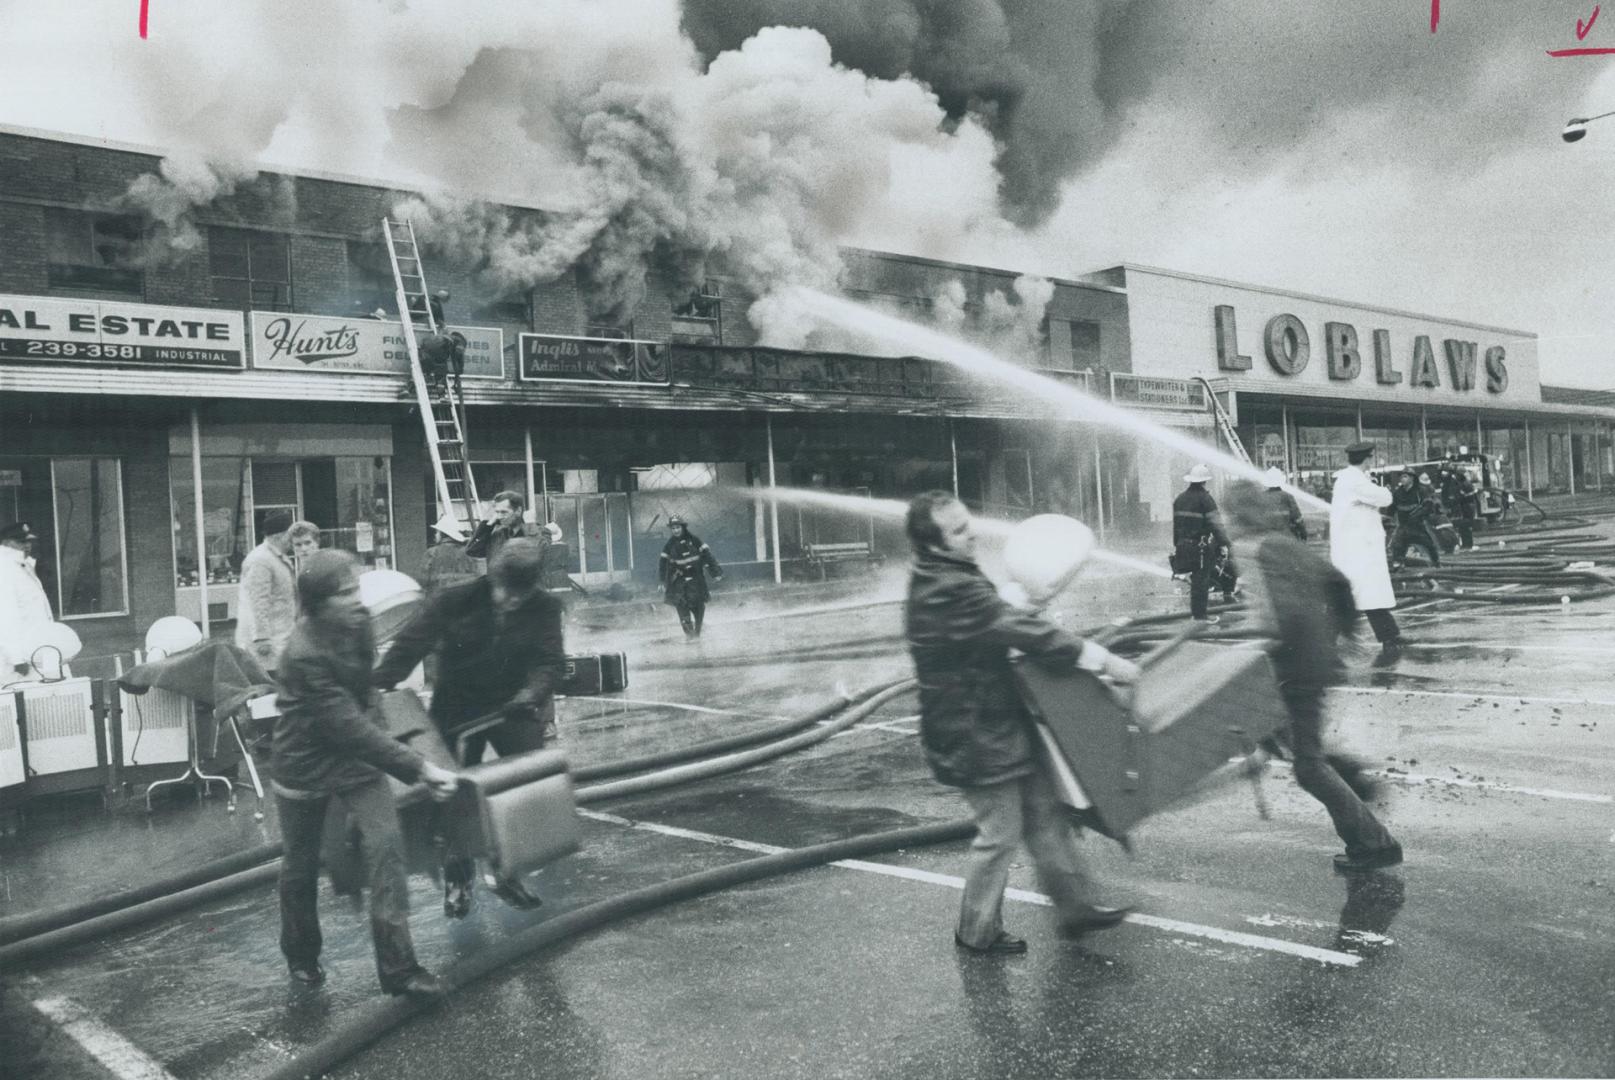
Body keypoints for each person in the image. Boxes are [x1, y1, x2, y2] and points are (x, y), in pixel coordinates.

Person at [905, 491, 1136, 954]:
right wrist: (1106, 661)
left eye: (967, 522)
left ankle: (1074, 908)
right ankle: (976, 931)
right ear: (933, 545)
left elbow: (996, 621)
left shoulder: (947, 575)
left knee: (1045, 814)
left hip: (993, 725)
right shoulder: (950, 586)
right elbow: (1016, 630)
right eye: (957, 531)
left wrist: (1019, 602)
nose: (971, 535)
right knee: (1000, 835)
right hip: (974, 734)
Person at [271, 550, 460, 998]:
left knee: (387, 851)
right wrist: (418, 767)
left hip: (357, 763)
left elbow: (367, 697)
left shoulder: (359, 624)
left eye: (357, 587)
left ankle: (400, 970)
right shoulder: (300, 654)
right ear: (317, 604)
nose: (357, 599)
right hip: (304, 763)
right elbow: (344, 724)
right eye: (345, 593)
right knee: (299, 864)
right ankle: (301, 953)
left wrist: (391, 748)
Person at [374, 539, 565, 917]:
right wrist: (380, 681)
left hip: (512, 705)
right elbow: (412, 643)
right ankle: (458, 878)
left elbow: (550, 661)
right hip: (457, 706)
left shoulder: (544, 607)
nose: (510, 602)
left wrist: (531, 693)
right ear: (492, 577)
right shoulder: (454, 601)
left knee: (524, 785)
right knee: (453, 793)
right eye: (504, 593)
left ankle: (509, 870)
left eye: (519, 596)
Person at [1223, 481, 1404, 874]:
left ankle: (1374, 843)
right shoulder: (1284, 541)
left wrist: (1253, 646)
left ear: (1236, 516)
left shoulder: (1250, 549)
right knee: (1281, 736)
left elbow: (1277, 618)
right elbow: (1337, 581)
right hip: (1312, 660)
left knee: (1307, 765)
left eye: (1226, 514)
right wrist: (1342, 633)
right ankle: (1356, 781)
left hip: (1294, 668)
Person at [1331, 441, 1406, 667]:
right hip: (1356, 550)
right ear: (1367, 458)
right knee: (1357, 595)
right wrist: (1382, 490)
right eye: (1371, 458)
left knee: (1359, 595)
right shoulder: (1353, 480)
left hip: (1358, 548)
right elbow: (1385, 498)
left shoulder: (1350, 479)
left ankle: (1389, 635)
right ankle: (1387, 637)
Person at [237, 510, 299, 675]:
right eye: (289, 535)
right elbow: (257, 601)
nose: (292, 540)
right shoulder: (261, 560)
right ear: (280, 536)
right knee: (270, 687)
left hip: (282, 635)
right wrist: (262, 638)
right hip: (268, 643)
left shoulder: (278, 557)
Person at [1172, 464, 1228, 623]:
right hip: (1200, 547)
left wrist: (1177, 545)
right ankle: (1200, 616)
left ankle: (1195, 615)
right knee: (1201, 582)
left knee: (1195, 582)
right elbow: (1215, 524)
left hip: (1183, 545)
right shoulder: (1206, 499)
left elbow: (1176, 525)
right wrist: (1224, 543)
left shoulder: (1179, 499)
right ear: (1205, 481)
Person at [0, 522, 53, 680]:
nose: (27, 545)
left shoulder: (23, 566)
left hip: (36, 648)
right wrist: (17, 658)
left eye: (28, 541)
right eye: (21, 541)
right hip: (18, 658)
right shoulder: (4, 569)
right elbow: (6, 616)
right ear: (5, 543)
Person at [659, 516, 722, 638]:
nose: (676, 530)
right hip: (679, 582)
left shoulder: (694, 540)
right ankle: (689, 634)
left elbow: (708, 556)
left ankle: (697, 633)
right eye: (673, 528)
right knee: (682, 608)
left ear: (683, 527)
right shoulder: (669, 545)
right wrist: (662, 581)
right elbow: (662, 564)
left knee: (698, 608)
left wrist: (716, 573)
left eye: (678, 527)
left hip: (696, 580)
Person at [466, 491, 535, 566]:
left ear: (518, 511)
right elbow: (472, 551)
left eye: (504, 512)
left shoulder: (534, 533)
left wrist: (529, 526)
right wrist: (487, 525)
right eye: (497, 512)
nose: (498, 517)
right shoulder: (498, 535)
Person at [1389, 472, 1441, 569]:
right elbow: (1392, 508)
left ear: (1412, 478)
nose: (1402, 479)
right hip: (1403, 525)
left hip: (1418, 526)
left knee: (1429, 545)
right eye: (1401, 476)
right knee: (1398, 546)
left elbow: (1428, 506)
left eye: (1405, 476)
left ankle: (1436, 563)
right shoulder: (1397, 493)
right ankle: (1398, 565)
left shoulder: (1420, 491)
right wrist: (1388, 518)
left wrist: (1418, 514)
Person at [421, 512, 478, 597]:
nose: (435, 535)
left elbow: (424, 581)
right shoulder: (467, 552)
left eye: (437, 532)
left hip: (438, 600)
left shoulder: (432, 553)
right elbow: (474, 579)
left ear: (442, 534)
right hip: (462, 600)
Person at [1264, 466, 1308, 541]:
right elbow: (1297, 517)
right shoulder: (1287, 496)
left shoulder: (1262, 497)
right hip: (1286, 536)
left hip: (1268, 537)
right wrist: (1303, 532)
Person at [1453, 472, 1481, 550]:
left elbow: (1461, 496)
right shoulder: (1468, 483)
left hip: (1465, 506)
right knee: (1468, 526)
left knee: (1465, 525)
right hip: (1470, 505)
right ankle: (1468, 544)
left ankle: (1467, 544)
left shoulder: (1461, 485)